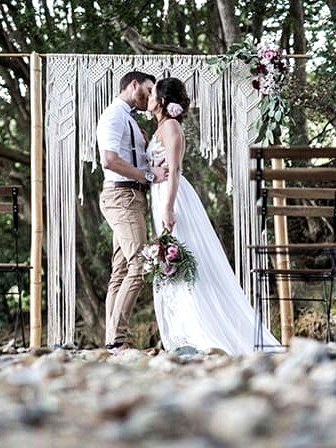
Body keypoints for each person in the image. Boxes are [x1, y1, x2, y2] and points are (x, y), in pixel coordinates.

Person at [146, 77, 282, 355]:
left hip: (174, 198)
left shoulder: (171, 127)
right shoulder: (162, 127)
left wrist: (168, 207)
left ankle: (201, 332)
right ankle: (184, 332)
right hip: (161, 195)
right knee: (173, 261)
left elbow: (175, 170)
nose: (147, 98)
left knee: (183, 258)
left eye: (152, 94)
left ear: (160, 101)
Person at [97, 71, 168, 352]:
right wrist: (148, 175)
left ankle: (114, 341)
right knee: (140, 265)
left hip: (130, 196)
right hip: (122, 195)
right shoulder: (114, 115)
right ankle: (118, 338)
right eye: (148, 90)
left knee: (121, 270)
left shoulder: (128, 118)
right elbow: (109, 160)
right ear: (134, 85)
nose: (151, 97)